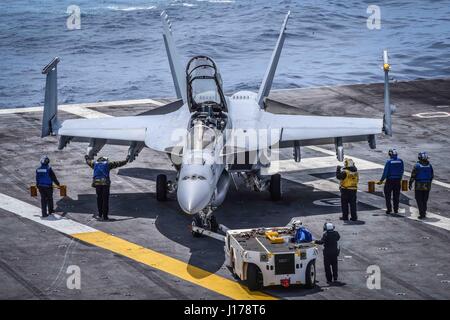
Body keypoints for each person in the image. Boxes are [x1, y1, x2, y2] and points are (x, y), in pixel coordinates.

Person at [85, 155, 129, 221]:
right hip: (105, 184)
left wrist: (87, 157)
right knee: (105, 200)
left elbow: (88, 162)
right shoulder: (108, 164)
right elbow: (118, 163)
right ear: (105, 160)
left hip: (97, 183)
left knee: (99, 199)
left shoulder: (95, 164)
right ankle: (105, 217)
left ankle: (100, 215)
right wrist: (126, 160)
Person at [377, 149, 404, 214]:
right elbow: (402, 170)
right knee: (396, 196)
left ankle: (389, 209)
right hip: (397, 181)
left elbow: (385, 173)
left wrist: (381, 180)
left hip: (390, 181)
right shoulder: (400, 161)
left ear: (390, 154)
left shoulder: (389, 162)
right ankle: (396, 209)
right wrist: (400, 178)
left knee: (388, 196)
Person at [409, 152, 434, 219]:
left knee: (419, 199)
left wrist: (410, 183)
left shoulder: (417, 166)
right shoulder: (430, 166)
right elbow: (432, 176)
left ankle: (422, 213)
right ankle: (424, 212)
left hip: (419, 185)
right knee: (424, 200)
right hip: (427, 185)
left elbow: (413, 176)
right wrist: (428, 182)